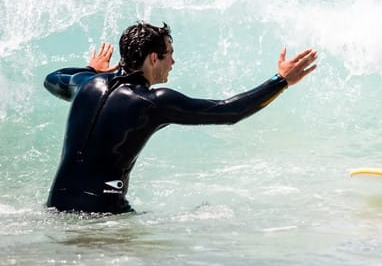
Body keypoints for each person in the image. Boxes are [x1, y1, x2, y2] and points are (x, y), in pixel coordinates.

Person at [43, 22, 318, 214]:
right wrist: (280, 81)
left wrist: (90, 68)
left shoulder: (87, 84)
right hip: (101, 213)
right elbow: (228, 112)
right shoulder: (151, 102)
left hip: (56, 206)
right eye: (169, 55)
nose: (172, 63)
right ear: (153, 58)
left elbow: (52, 79)